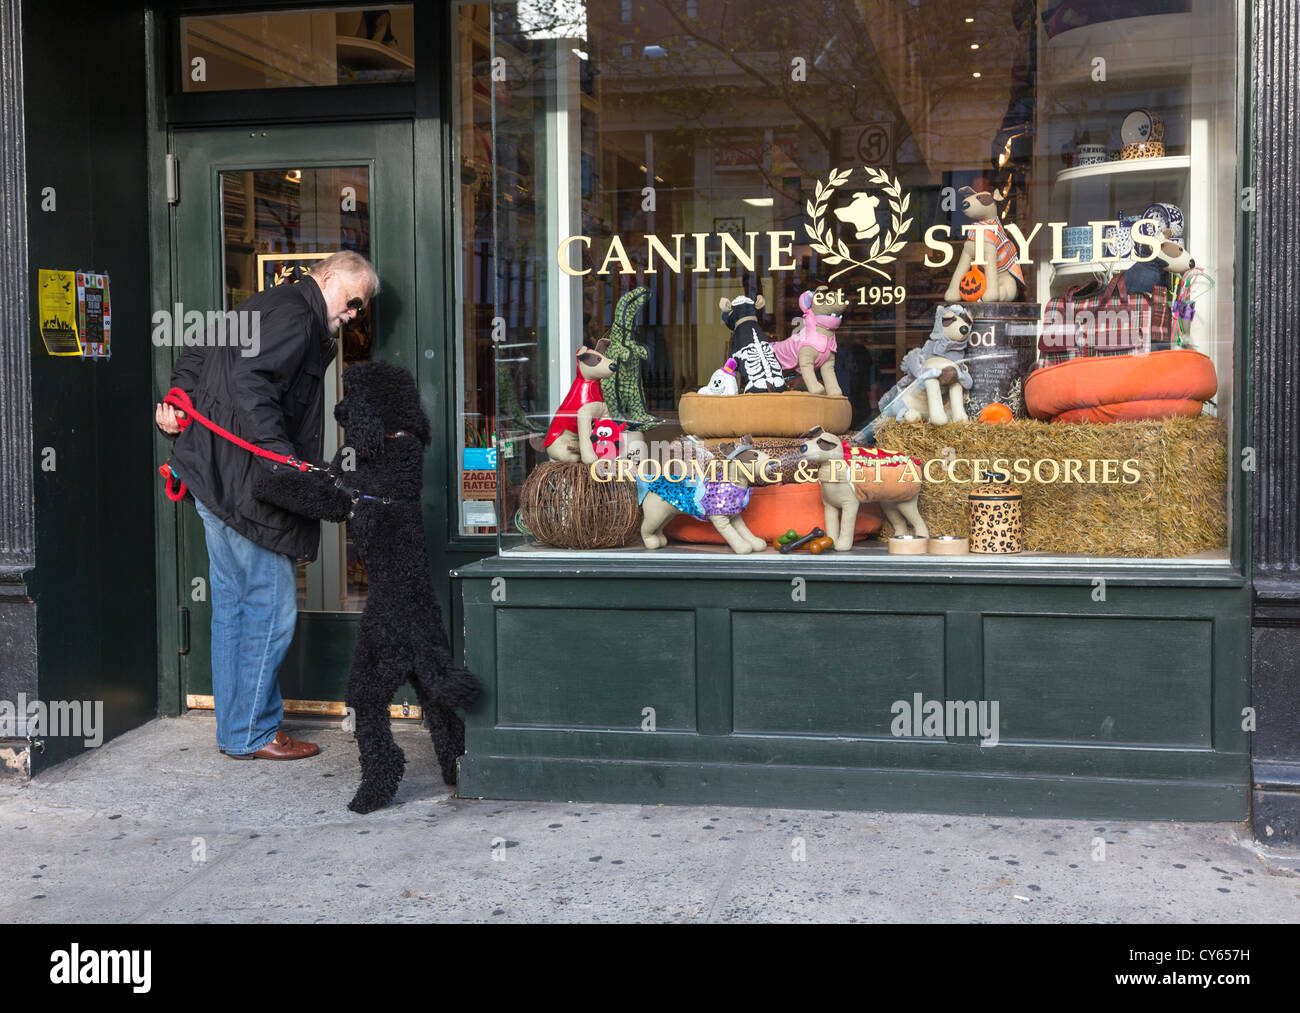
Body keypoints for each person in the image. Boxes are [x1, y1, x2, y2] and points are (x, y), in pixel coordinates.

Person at [154, 251, 380, 759]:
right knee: (269, 612)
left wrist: (176, 399)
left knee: (234, 609)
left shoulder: (265, 303)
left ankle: (238, 732)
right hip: (246, 486)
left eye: (359, 309)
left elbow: (198, 349)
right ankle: (254, 733)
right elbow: (250, 381)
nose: (352, 315)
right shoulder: (299, 316)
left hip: (215, 480)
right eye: (351, 301)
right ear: (326, 278)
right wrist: (279, 459)